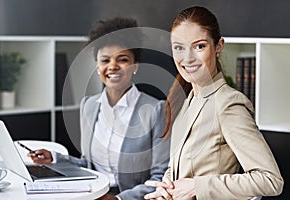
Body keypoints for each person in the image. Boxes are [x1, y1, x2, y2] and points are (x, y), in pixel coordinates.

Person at [144, 6, 284, 200]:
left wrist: (197, 187)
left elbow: (270, 180)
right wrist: (166, 189)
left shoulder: (228, 104)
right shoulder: (187, 102)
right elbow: (176, 168)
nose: (187, 58)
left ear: (218, 46)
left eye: (199, 46)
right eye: (179, 47)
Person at [29, 17, 170, 200]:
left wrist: (118, 199)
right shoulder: (88, 106)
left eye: (122, 59)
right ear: (97, 66)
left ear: (135, 66)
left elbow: (161, 177)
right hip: (93, 194)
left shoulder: (156, 110)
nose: (112, 66)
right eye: (105, 60)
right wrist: (54, 159)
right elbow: (89, 165)